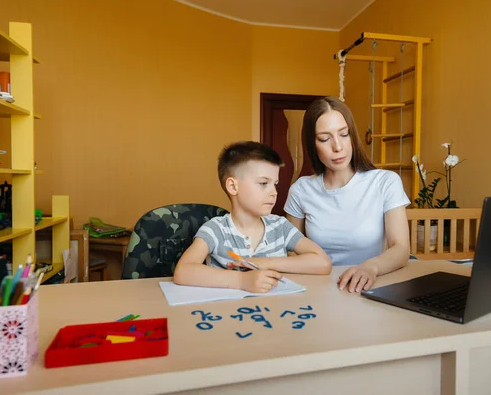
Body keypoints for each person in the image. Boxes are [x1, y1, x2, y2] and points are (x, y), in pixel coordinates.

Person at [284, 96, 411, 294]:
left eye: (344, 134)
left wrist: (370, 268)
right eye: (325, 139)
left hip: (370, 286)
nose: (338, 147)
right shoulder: (301, 190)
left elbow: (401, 248)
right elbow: (291, 251)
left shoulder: (385, 182)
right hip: (319, 290)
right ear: (312, 144)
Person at [173, 141, 332, 293]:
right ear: (233, 186)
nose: (274, 192)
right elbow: (183, 271)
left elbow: (323, 262)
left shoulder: (280, 226)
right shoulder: (216, 229)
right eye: (263, 183)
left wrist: (263, 263)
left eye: (274, 184)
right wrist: (242, 281)